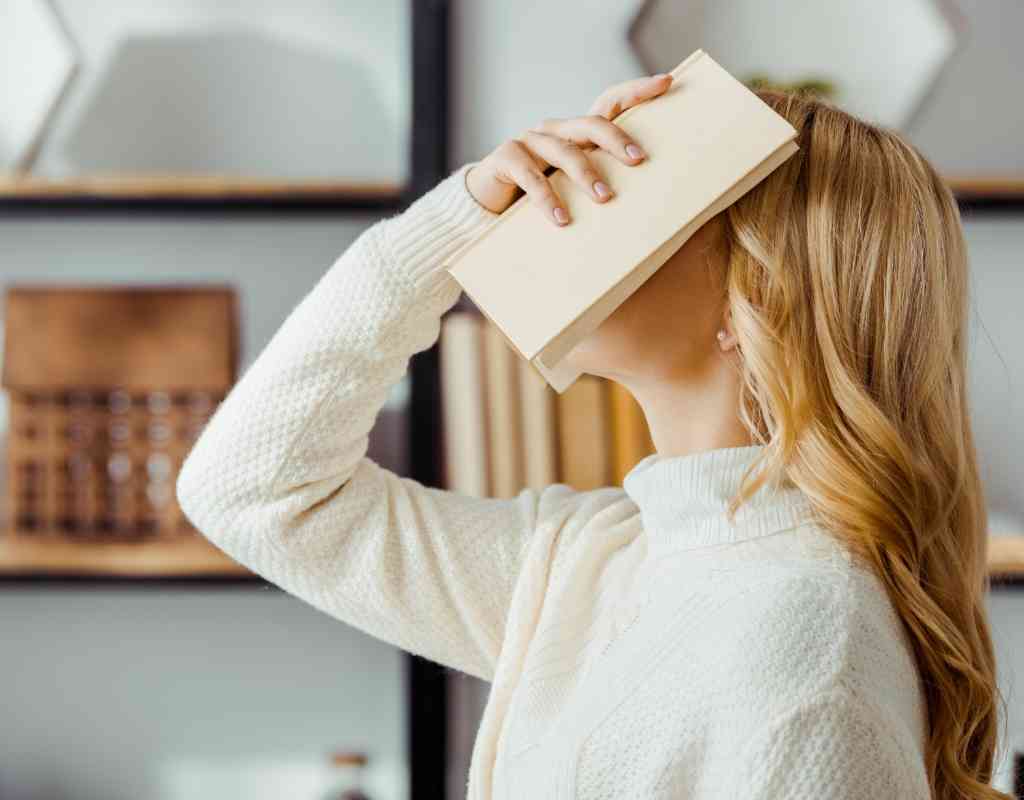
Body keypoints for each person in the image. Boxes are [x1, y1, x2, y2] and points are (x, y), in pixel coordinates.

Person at [176, 73, 1007, 799]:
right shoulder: (595, 562)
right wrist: (454, 221)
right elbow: (254, 491)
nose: (584, 193)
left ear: (761, 296)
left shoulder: (808, 657)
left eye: (654, 186)